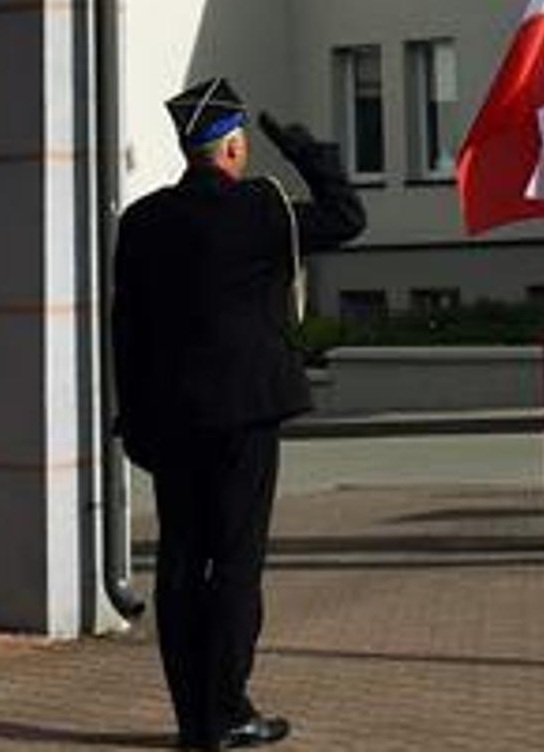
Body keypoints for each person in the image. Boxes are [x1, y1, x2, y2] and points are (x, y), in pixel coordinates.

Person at [112, 77, 366, 751]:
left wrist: (131, 417)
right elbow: (346, 218)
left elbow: (126, 329)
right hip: (244, 415)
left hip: (168, 419)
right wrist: (310, 153)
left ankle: (191, 718)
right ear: (229, 145)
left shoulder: (141, 222)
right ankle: (227, 711)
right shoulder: (260, 208)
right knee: (234, 563)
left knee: (179, 563)